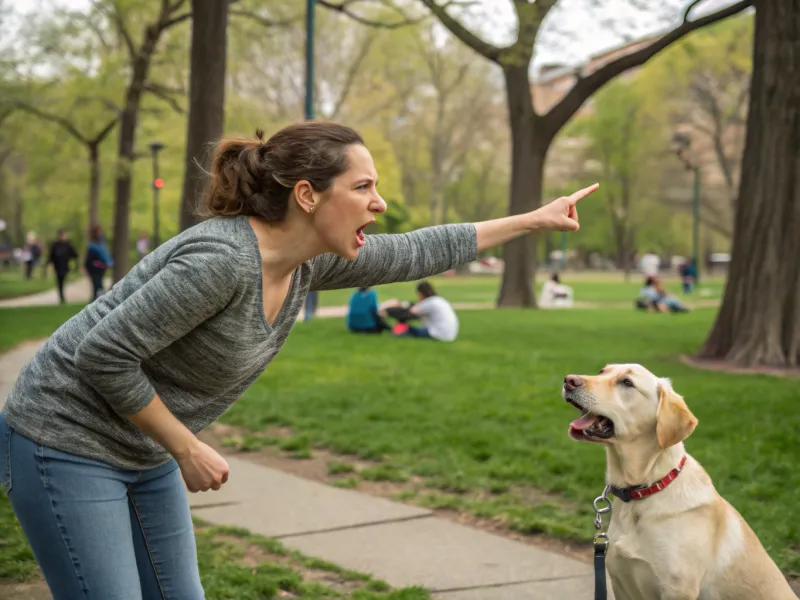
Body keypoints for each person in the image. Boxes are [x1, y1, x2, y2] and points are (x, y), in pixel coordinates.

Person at [0, 121, 598, 599]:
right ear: (308, 195)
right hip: (65, 440)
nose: (379, 203)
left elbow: (419, 250)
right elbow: (100, 356)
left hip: (142, 446)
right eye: (363, 187)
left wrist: (537, 219)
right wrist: (185, 446)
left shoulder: (309, 262)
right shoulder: (221, 262)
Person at [392, 280, 459, 341]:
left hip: (438, 334)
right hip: (450, 334)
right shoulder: (439, 300)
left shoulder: (429, 302)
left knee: (409, 330)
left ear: (421, 293)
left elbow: (411, 312)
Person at [45, 229, 79, 304]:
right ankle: (61, 297)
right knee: (59, 281)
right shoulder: (55, 245)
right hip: (57, 266)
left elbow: (74, 254)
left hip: (65, 266)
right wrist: (47, 265)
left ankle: (62, 295)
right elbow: (51, 256)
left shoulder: (68, 245)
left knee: (63, 280)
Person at [84, 225, 114, 300]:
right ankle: (96, 301)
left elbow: (106, 255)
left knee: (98, 286)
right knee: (97, 285)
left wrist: (110, 262)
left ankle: (95, 301)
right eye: (99, 232)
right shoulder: (93, 246)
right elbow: (97, 257)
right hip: (95, 269)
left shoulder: (101, 244)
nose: (101, 233)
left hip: (100, 268)